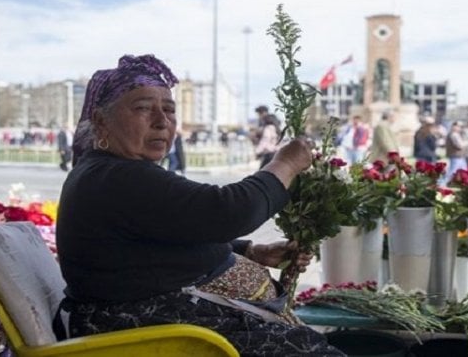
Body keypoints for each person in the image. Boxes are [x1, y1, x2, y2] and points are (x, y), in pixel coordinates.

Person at [56, 54, 344, 356]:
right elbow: (228, 211)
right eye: (142, 108)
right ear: (102, 121)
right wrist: (285, 164)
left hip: (172, 324)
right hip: (155, 334)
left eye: (169, 110)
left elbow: (170, 234)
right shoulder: (115, 176)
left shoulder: (109, 171)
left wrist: (250, 251)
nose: (161, 121)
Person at [442, 121, 468, 185]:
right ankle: (443, 183)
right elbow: (459, 145)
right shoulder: (453, 134)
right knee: (452, 171)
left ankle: (465, 184)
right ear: (454, 126)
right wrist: (467, 143)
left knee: (464, 171)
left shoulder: (455, 134)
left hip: (459, 156)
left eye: (461, 127)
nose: (460, 128)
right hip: (456, 156)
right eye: (458, 126)